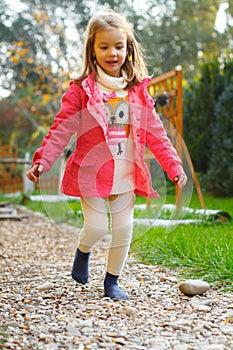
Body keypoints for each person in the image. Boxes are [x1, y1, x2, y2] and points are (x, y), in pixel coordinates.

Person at [27, 9, 187, 300]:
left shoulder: (138, 91)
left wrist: (173, 167)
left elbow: (156, 133)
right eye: (104, 46)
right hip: (92, 173)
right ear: (93, 49)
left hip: (126, 172)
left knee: (124, 230)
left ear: (128, 48)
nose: (112, 53)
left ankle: (111, 281)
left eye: (118, 46)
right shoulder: (81, 91)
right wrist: (43, 160)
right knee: (98, 227)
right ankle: (83, 250)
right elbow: (61, 129)